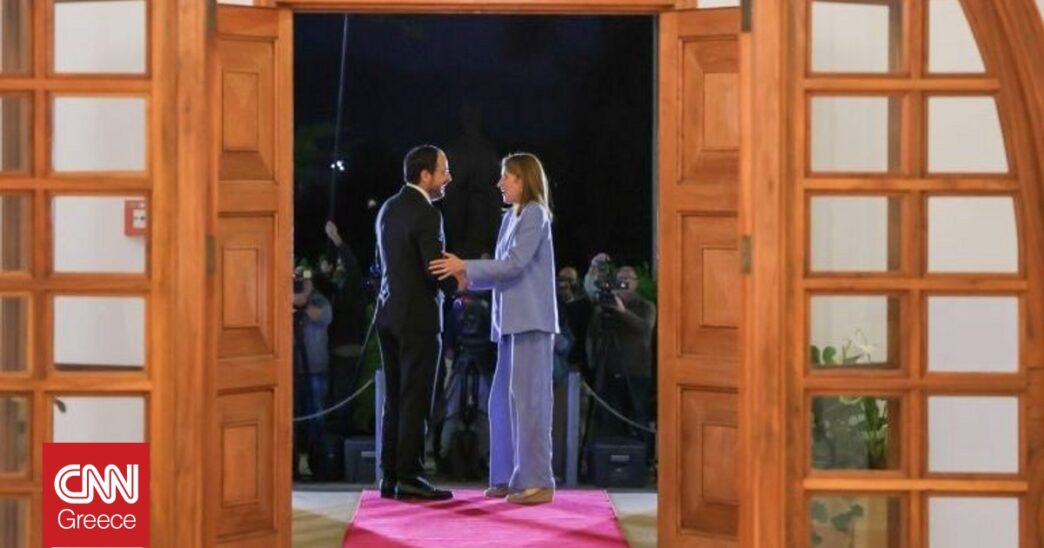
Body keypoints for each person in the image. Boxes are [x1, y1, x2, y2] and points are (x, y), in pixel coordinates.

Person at [429, 152, 558, 505]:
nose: (500, 183)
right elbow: (502, 270)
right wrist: (464, 276)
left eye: (507, 177)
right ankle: (506, 476)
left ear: (524, 180)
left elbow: (514, 265)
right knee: (501, 401)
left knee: (529, 403)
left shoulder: (535, 214)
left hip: (531, 323)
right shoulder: (509, 218)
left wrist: (464, 266)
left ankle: (538, 481)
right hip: (510, 324)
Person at [374, 145, 464, 501]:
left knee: (394, 398)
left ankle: (389, 476)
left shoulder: (388, 208)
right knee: (415, 398)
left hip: (387, 315)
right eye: (444, 171)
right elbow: (434, 268)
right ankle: (410, 476)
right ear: (425, 175)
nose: (448, 178)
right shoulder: (427, 213)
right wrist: (458, 283)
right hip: (419, 320)